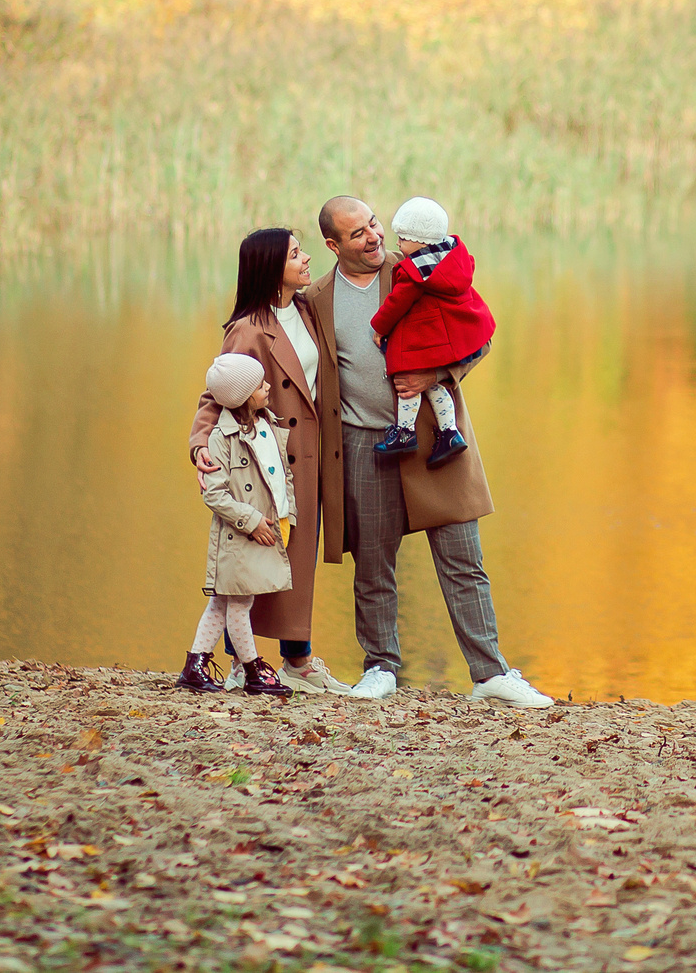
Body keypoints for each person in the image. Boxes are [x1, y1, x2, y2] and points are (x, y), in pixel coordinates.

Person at [308, 194, 551, 707]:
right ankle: (380, 668)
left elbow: (478, 333)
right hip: (362, 443)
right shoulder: (316, 298)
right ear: (333, 245)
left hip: (436, 438)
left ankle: (490, 673)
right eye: (358, 234)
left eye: (375, 224)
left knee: (464, 556)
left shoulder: (419, 268)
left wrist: (438, 373)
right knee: (372, 565)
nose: (374, 237)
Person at [183, 227, 352, 695]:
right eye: (295, 253)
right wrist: (201, 446)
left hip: (310, 457)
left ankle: (295, 659)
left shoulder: (304, 310)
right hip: (264, 461)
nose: (306, 258)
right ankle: (246, 661)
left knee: (297, 561)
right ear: (271, 267)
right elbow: (216, 391)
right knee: (258, 557)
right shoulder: (249, 327)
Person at [188, 353, 296, 697]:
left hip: (267, 524)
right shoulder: (222, 438)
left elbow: (281, 474)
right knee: (237, 603)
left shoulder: (266, 424)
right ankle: (252, 670)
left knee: (222, 602)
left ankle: (196, 664)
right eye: (260, 385)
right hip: (240, 534)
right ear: (243, 395)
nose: (267, 388)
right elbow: (214, 494)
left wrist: (287, 511)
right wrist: (251, 521)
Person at [369, 196, 496, 469]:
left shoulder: (415, 269)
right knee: (435, 387)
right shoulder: (452, 257)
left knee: (406, 381)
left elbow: (396, 302)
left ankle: (405, 431)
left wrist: (379, 327)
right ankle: (450, 432)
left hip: (427, 343)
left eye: (402, 238)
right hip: (448, 340)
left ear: (419, 241)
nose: (398, 244)